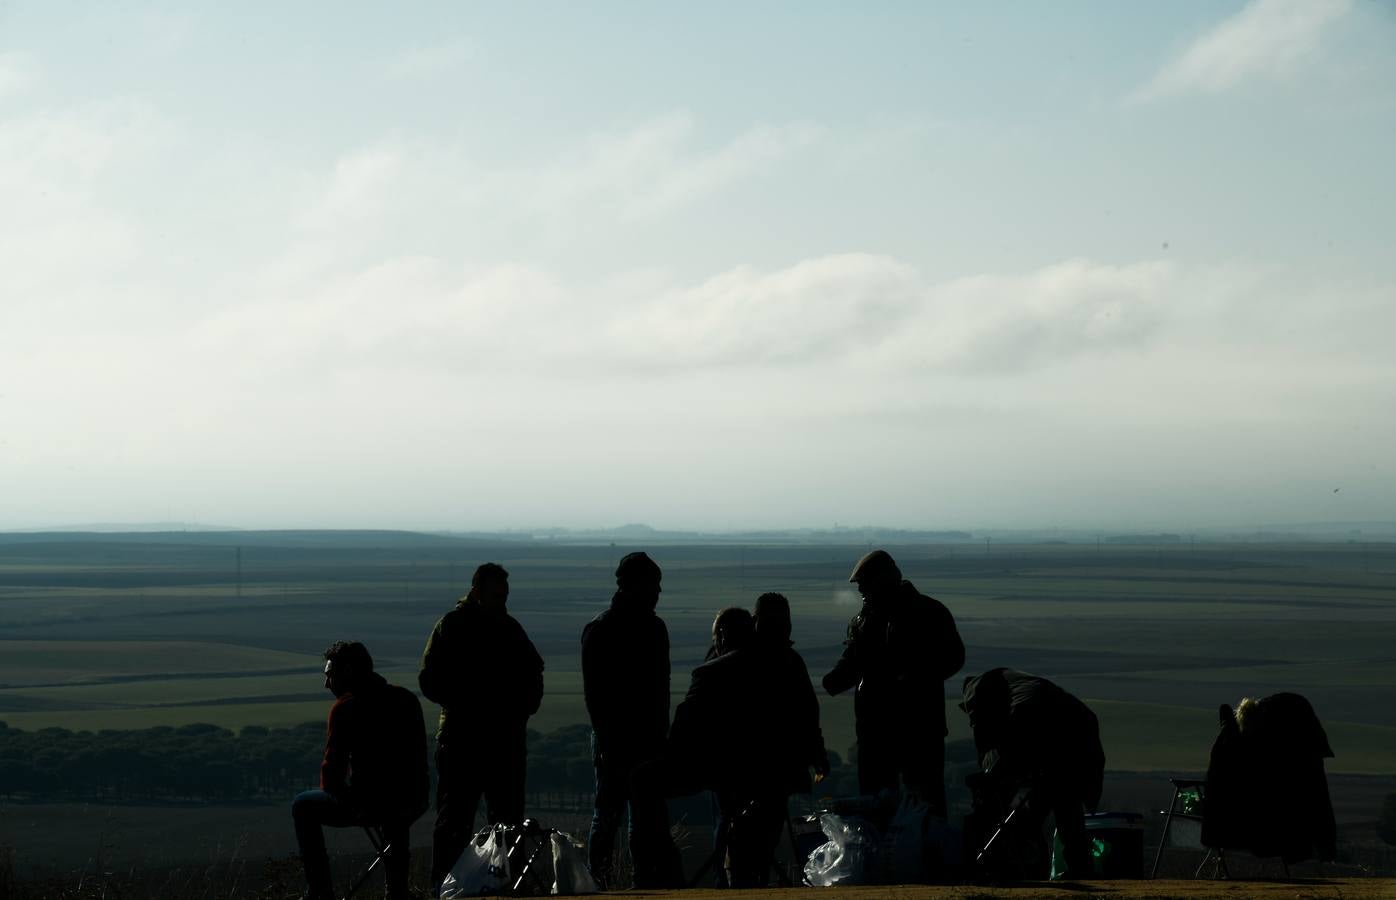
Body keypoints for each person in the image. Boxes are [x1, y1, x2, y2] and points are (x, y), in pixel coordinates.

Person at [657, 606, 814, 888]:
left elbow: (684, 725)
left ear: (722, 636)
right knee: (765, 824)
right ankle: (755, 876)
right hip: (780, 770)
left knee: (725, 819)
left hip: (730, 774)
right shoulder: (785, 662)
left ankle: (723, 880)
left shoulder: (711, 672)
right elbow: (807, 713)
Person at [419, 562, 544, 889]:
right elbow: (430, 681)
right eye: (495, 594)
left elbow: (533, 674)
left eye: (503, 595)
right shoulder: (458, 626)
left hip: (491, 741)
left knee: (498, 823)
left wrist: (519, 711)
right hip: (469, 741)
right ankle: (451, 887)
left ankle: (468, 886)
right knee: (460, 822)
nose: (500, 600)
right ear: (476, 591)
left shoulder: (501, 627)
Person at [822, 549, 965, 813]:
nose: (861, 590)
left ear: (882, 580)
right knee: (877, 803)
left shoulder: (926, 612)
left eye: (865, 583)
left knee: (924, 803)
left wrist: (910, 677)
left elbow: (953, 658)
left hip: (918, 727)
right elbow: (855, 658)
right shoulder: (869, 619)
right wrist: (834, 680)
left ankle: (927, 850)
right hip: (878, 730)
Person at [292, 641, 428, 900]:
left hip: (370, 803)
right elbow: (419, 760)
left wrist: (349, 801)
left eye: (329, 675)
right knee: (396, 806)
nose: (326, 684)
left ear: (348, 672)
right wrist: (419, 798)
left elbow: (331, 774)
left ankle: (320, 892)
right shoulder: (407, 700)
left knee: (302, 806)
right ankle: (397, 889)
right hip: (412, 800)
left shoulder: (346, 708)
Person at [581, 551, 678, 889]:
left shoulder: (603, 627)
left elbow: (596, 694)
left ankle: (604, 882)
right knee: (631, 815)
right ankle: (638, 881)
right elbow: (598, 695)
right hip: (629, 737)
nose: (658, 592)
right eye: (654, 584)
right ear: (635, 585)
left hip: (627, 737)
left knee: (612, 815)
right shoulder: (649, 629)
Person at [959, 667, 1105, 880]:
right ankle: (1079, 866)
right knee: (1066, 798)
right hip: (1078, 725)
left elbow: (983, 737)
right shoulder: (1014, 683)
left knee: (1050, 799)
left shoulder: (976, 690)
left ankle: (1022, 862)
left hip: (1035, 722)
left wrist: (988, 773)